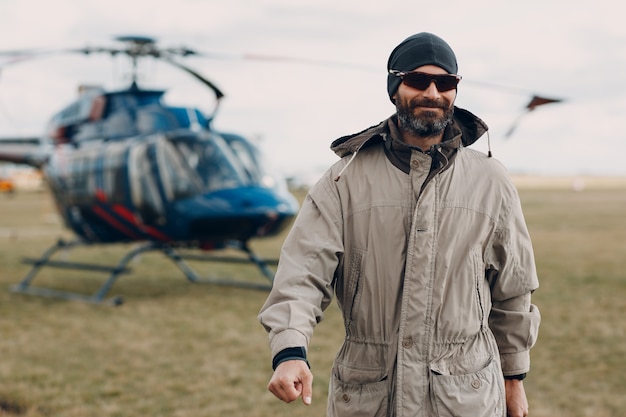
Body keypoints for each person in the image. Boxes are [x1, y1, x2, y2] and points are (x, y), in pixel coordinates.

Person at [258, 32, 540, 417]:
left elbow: (513, 291)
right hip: (368, 397)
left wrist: (514, 381)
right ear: (395, 88)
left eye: (445, 83)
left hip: (466, 398)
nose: (432, 92)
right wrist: (290, 350)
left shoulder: (491, 181)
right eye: (417, 80)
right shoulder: (344, 181)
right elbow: (301, 274)